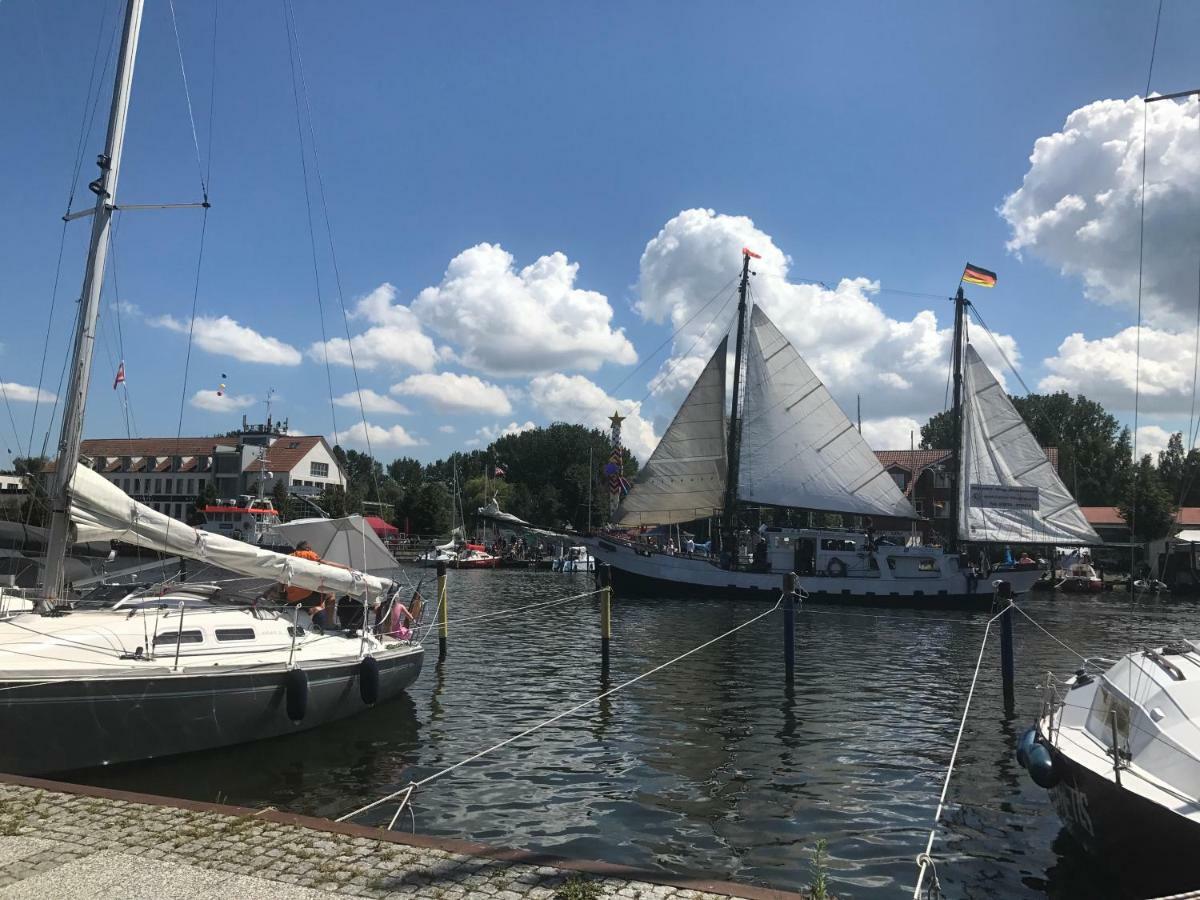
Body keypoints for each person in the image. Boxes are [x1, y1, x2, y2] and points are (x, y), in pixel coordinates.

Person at [286, 541, 335, 628]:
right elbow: (326, 564)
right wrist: (345, 567)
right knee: (330, 593)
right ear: (308, 549)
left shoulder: (290, 556)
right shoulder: (308, 554)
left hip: (290, 600)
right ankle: (330, 623)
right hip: (305, 599)